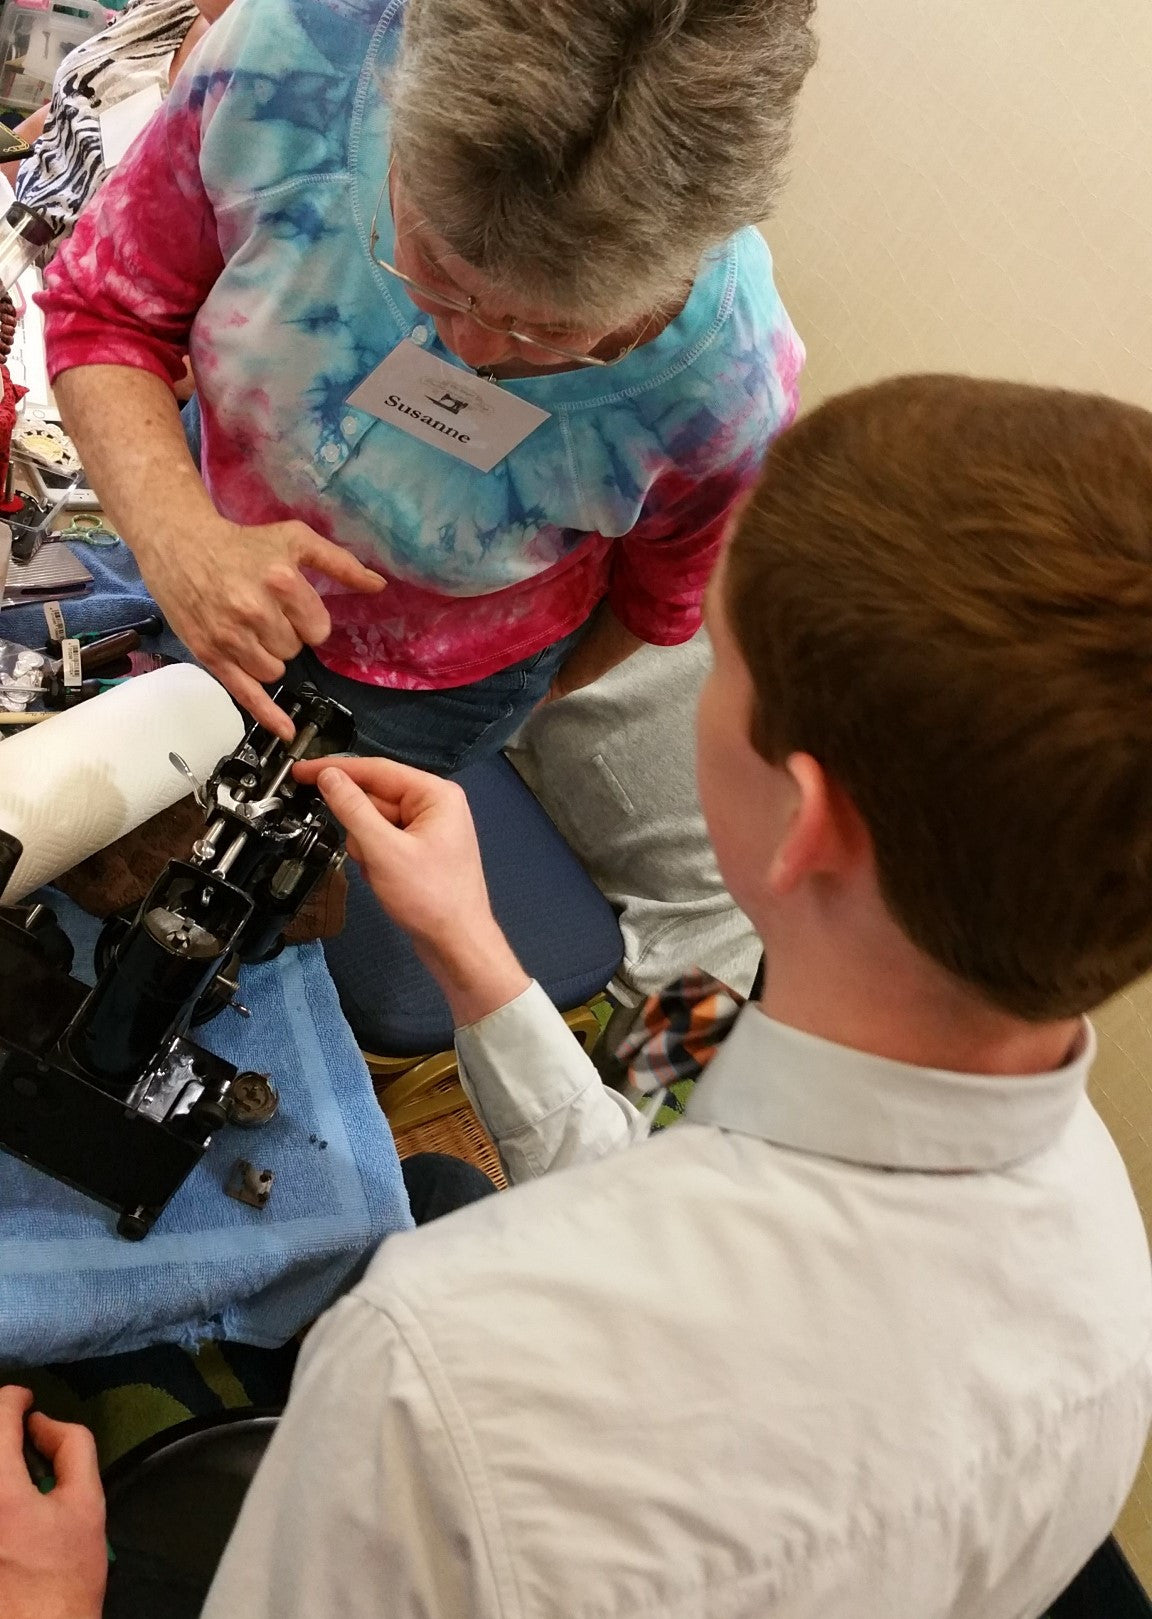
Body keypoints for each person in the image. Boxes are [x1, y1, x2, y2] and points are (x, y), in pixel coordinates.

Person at [8, 372, 1152, 1618]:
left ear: (805, 820)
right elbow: (673, 1191)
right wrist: (475, 955)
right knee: (435, 1188)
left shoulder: (436, 1366)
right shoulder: (1097, 1234)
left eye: (723, 662)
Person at [37, 0, 815, 766]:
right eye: (435, 266)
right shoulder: (297, 51)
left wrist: (518, 703)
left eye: (553, 331)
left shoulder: (729, 387)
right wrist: (177, 536)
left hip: (440, 686)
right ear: (393, 124)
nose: (469, 345)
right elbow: (102, 311)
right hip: (204, 506)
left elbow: (657, 599)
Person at [0, 0, 228, 235]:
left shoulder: (249, 88)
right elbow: (65, 111)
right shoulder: (164, 7)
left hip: (64, 262)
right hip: (14, 230)